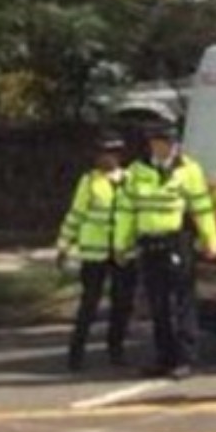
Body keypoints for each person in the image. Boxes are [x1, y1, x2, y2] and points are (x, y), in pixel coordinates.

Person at [120, 121, 216, 380]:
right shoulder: (137, 170)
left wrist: (211, 239)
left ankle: (185, 358)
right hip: (148, 243)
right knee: (157, 305)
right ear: (153, 143)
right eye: (161, 142)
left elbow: (201, 207)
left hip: (176, 242)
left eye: (171, 143)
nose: (167, 148)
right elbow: (126, 210)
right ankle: (164, 357)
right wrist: (121, 243)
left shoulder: (188, 169)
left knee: (183, 302)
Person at [56, 133, 136, 372]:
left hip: (123, 253)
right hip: (95, 253)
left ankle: (116, 350)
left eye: (110, 154)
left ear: (119, 156)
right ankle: (76, 353)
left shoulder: (131, 180)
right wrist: (63, 245)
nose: (105, 159)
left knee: (122, 304)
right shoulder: (89, 181)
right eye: (101, 154)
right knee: (89, 304)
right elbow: (76, 214)